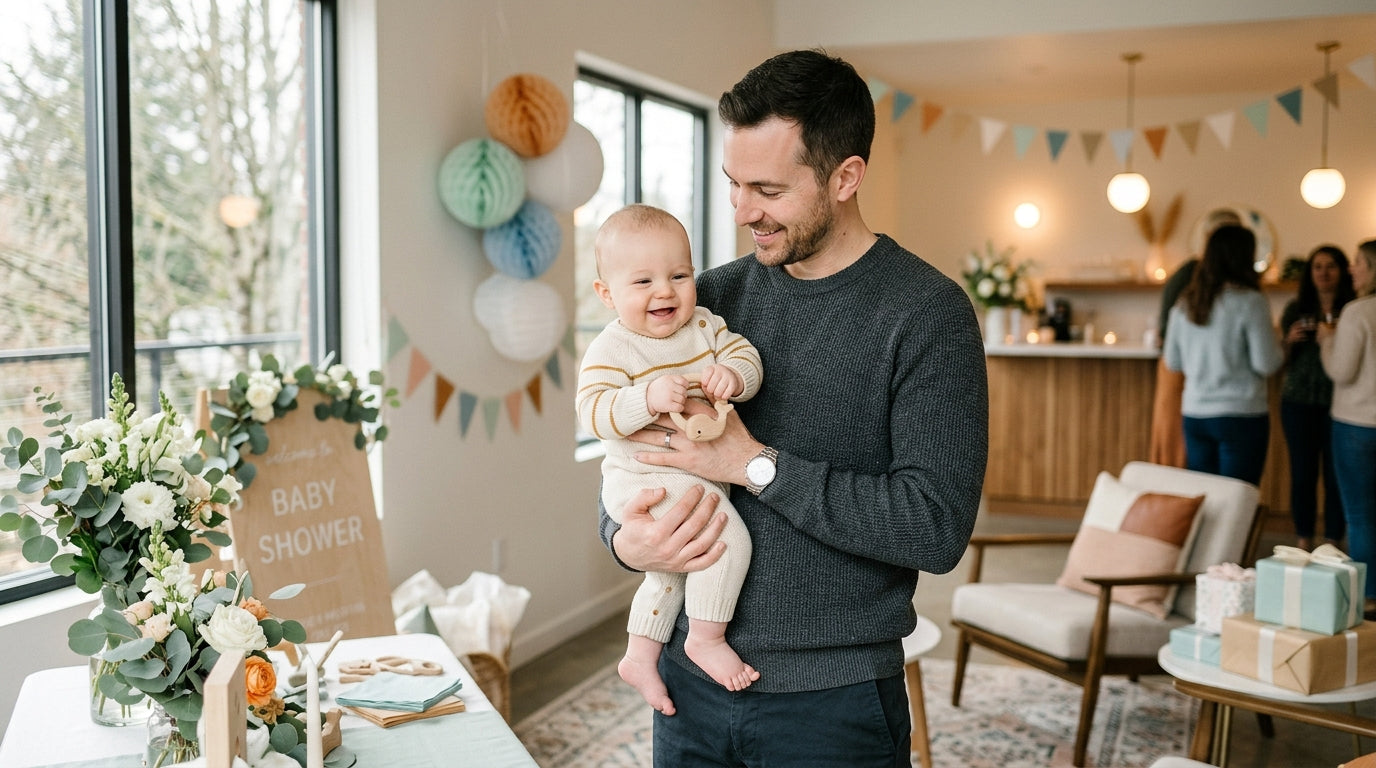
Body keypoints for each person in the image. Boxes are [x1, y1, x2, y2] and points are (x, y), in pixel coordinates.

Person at [597, 49, 987, 767]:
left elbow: (935, 528)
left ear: (845, 177)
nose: (743, 211)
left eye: (767, 190)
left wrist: (752, 465)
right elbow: (631, 451)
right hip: (685, 684)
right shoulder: (704, 298)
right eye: (734, 185)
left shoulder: (927, 315)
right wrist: (627, 544)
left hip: (833, 705)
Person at [577, 204, 765, 714]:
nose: (665, 291)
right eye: (643, 282)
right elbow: (593, 412)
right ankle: (705, 638)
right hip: (644, 479)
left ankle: (641, 654)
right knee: (724, 539)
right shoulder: (612, 348)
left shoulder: (704, 325)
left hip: (683, 475)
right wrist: (646, 397)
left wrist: (735, 375)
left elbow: (744, 354)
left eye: (679, 275)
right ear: (606, 294)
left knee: (670, 570)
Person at [1163, 224, 1283, 484]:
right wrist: (1283, 344)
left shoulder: (1185, 303)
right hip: (1240, 414)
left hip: (1195, 414)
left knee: (1205, 500)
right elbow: (1265, 364)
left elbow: (1173, 362)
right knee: (1237, 501)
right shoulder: (1250, 301)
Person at [1279, 245, 1355, 550]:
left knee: (1335, 474)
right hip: (1297, 401)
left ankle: (1333, 540)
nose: (1324, 273)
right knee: (1302, 473)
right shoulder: (1295, 309)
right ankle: (1303, 539)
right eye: (1318, 267)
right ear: (1310, 273)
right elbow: (1279, 362)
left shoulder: (1352, 310)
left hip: (1340, 402)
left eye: (1331, 266)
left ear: (1343, 271)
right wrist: (1288, 341)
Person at [1318, 239, 1376, 610]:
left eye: (1357, 263)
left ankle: (1368, 599)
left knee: (1360, 515)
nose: (1352, 269)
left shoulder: (1357, 312)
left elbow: (1341, 370)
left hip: (1356, 424)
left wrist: (1327, 341)